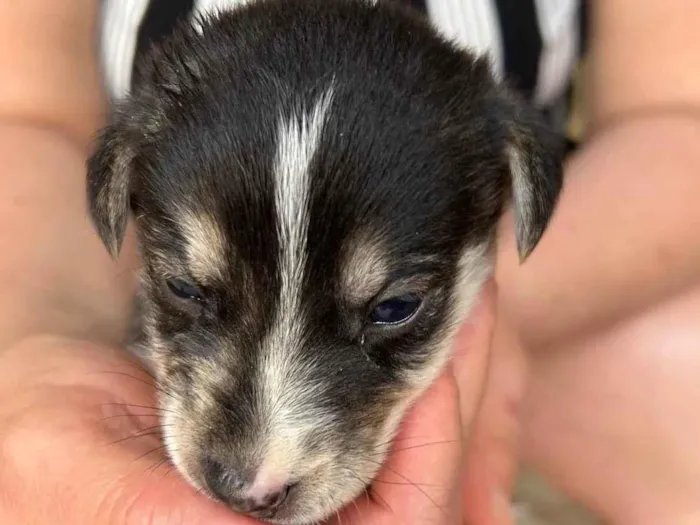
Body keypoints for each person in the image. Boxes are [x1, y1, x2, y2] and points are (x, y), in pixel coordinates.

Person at [1, 1, 699, 524]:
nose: (258, 469)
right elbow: (28, 119)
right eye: (186, 288)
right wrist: (39, 350)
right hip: (91, 288)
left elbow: (679, 124)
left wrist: (505, 314)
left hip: (573, 287)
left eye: (392, 308)